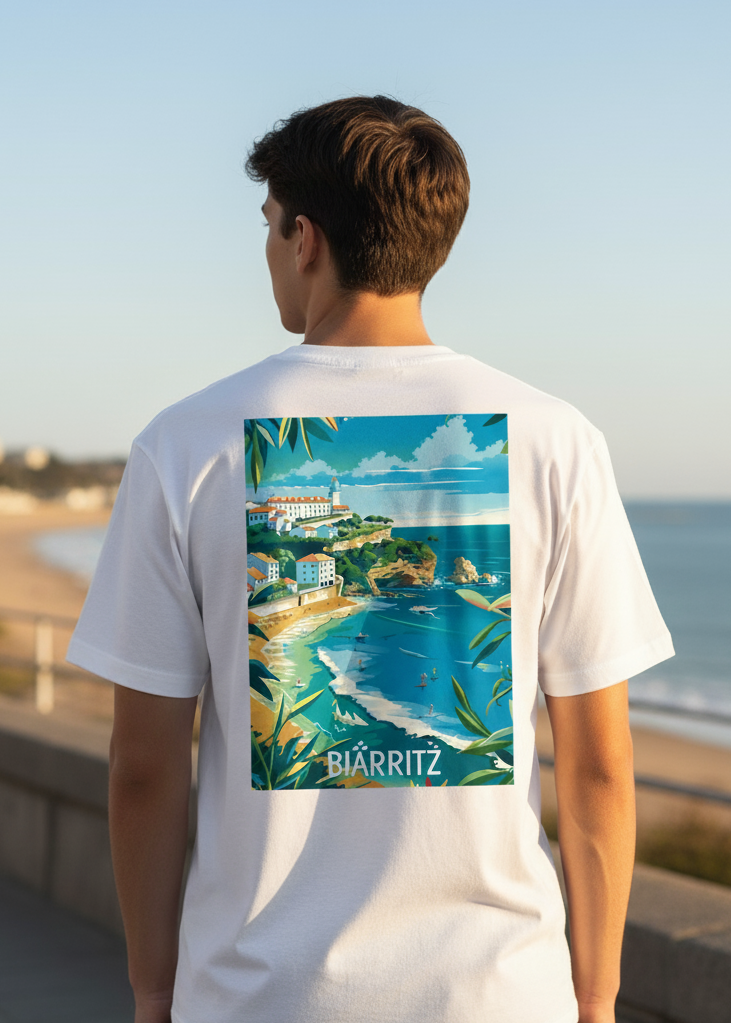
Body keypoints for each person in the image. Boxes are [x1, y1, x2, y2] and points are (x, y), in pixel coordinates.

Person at [67, 96, 673, 1023]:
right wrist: (592, 997)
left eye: (268, 227)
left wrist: (155, 991)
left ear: (305, 238)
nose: (268, 250)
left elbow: (143, 766)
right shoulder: (556, 438)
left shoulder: (184, 444)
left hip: (255, 995)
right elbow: (597, 762)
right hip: (498, 992)